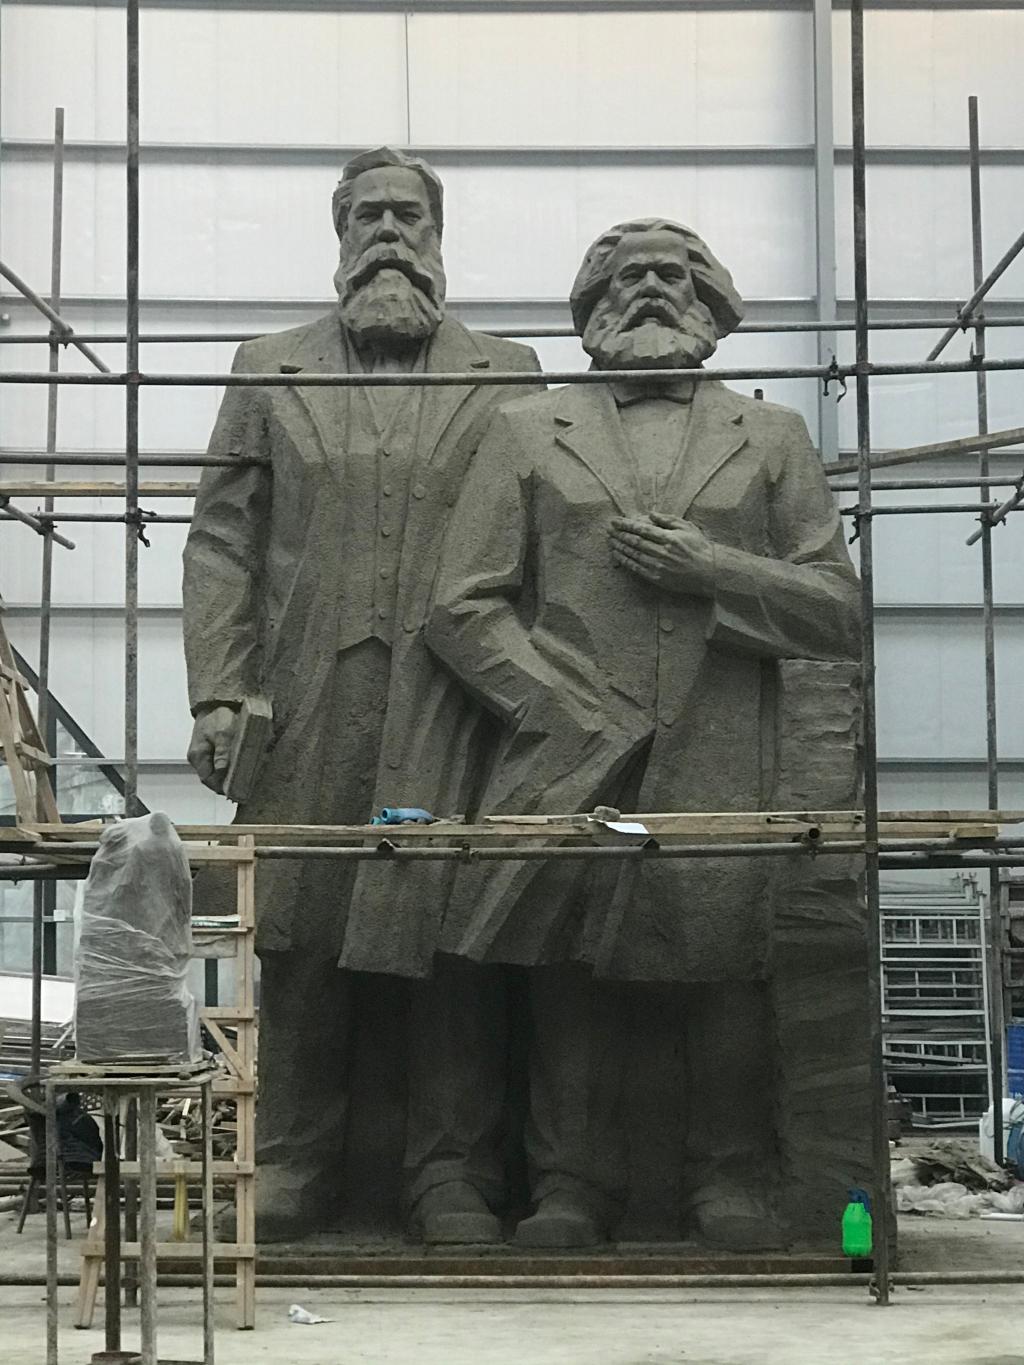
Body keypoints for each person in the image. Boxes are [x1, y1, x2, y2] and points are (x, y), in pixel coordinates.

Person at [419, 218, 862, 1248]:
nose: (651, 289)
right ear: (592, 305)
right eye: (627, 275)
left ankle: (729, 1180)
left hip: (721, 747)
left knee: (722, 970)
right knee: (569, 970)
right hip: (562, 751)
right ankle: (571, 1185)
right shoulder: (527, 430)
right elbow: (462, 603)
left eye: (673, 273)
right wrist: (555, 705)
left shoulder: (771, 436)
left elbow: (836, 609)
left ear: (710, 304)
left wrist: (714, 569)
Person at [182, 147, 540, 1237]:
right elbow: (223, 542)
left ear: (438, 235)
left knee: (450, 928)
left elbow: (540, 540)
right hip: (307, 697)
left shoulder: (507, 369)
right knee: (296, 928)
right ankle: (293, 1160)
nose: (389, 232)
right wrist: (217, 691)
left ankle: (451, 1172)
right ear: (339, 236)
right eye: (367, 215)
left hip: (457, 700)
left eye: (408, 215)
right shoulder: (269, 366)